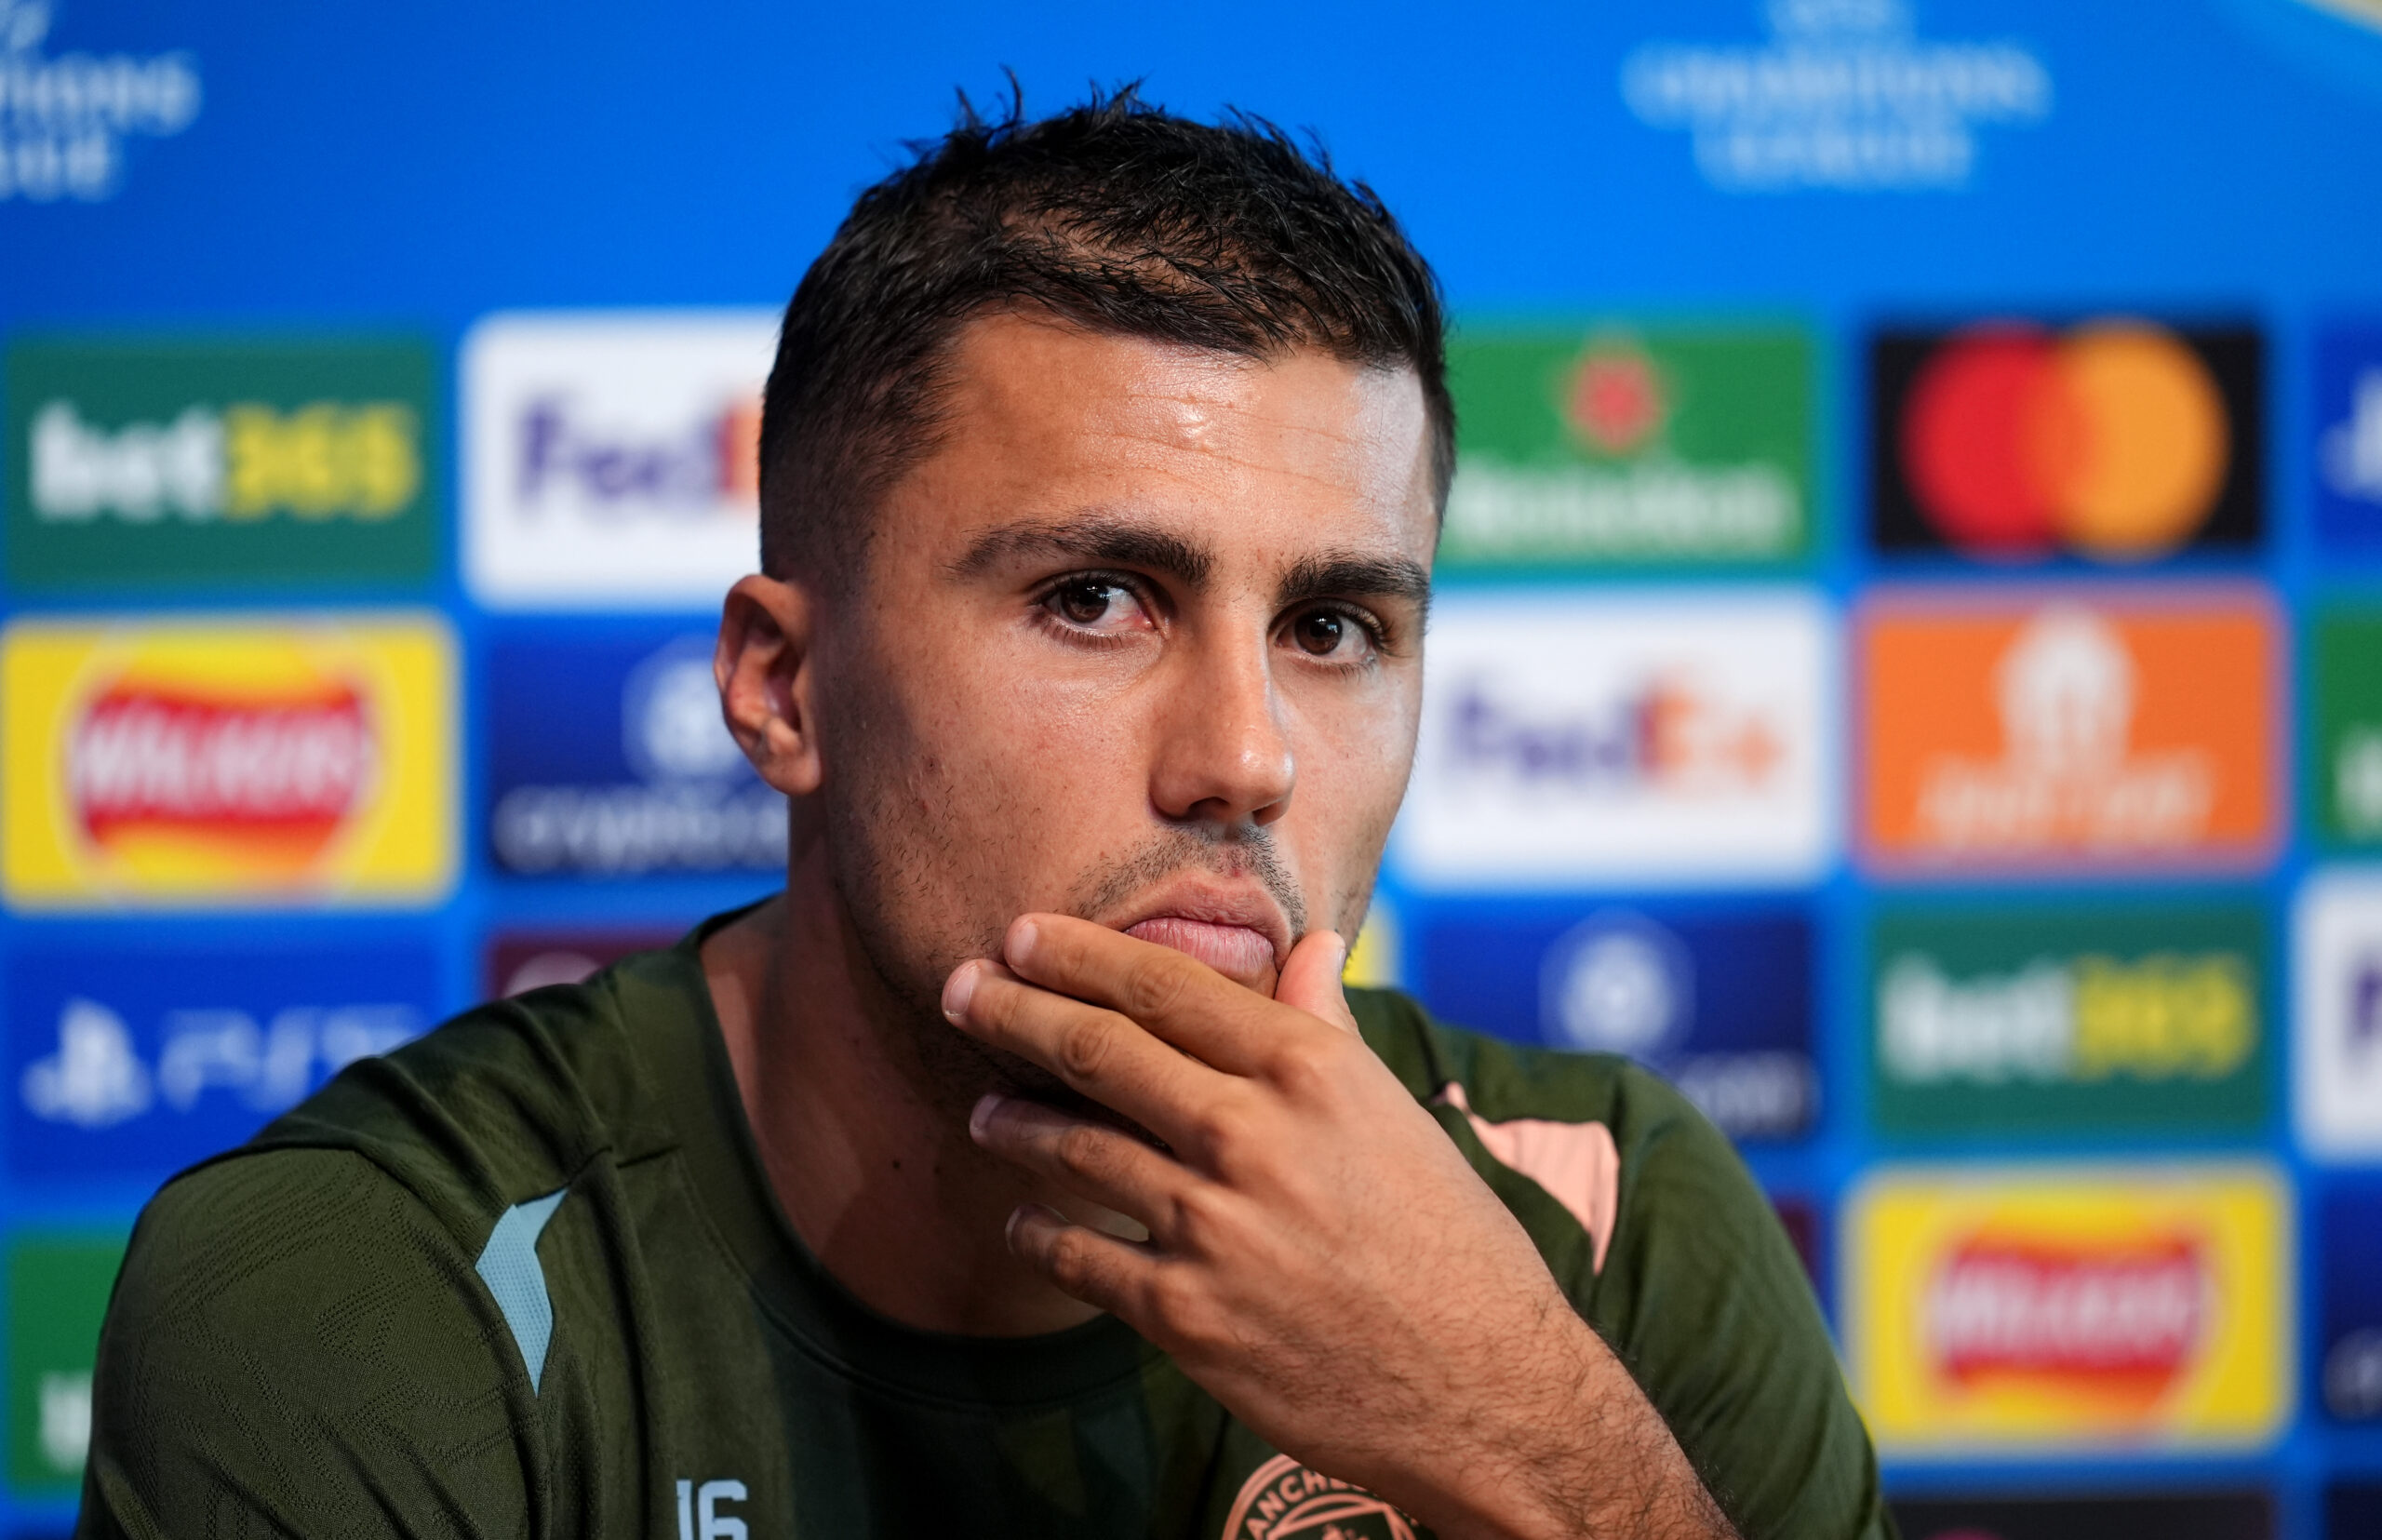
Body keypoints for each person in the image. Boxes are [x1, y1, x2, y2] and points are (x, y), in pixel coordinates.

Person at [80, 91, 1890, 1540]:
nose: (1245, 758)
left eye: (1332, 628)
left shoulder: (1604, 1226)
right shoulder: (383, 1283)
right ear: (783, 688)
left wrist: (1523, 1450)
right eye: (1095, 598)